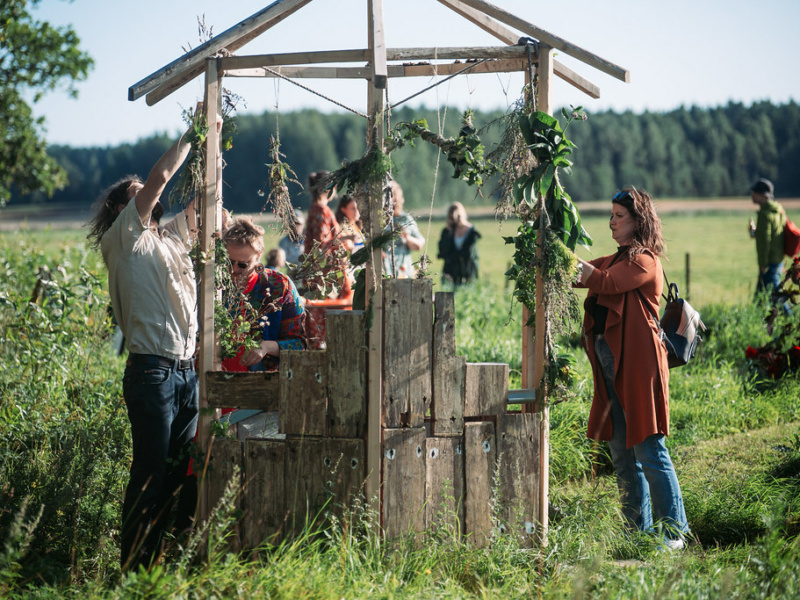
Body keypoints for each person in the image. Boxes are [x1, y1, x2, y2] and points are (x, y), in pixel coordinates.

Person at [86, 123, 205, 571]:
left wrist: (217, 142)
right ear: (122, 208)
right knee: (151, 474)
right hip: (152, 372)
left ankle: (162, 566)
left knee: (178, 475)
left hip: (185, 373)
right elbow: (159, 179)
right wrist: (194, 133)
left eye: (146, 196)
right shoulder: (124, 238)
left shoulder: (168, 239)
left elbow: (203, 206)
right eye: (137, 195)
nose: (149, 198)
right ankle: (135, 572)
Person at [574, 187, 689, 551]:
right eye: (610, 215)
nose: (611, 222)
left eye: (618, 217)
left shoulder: (643, 261)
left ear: (638, 221)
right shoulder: (618, 258)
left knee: (649, 450)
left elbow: (604, 282)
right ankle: (636, 532)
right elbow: (589, 274)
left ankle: (674, 532)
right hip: (614, 366)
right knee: (623, 453)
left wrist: (564, 257)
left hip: (639, 368)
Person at [222, 215, 306, 373]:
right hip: (215, 377)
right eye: (229, 262)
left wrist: (267, 347)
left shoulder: (279, 286)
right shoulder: (214, 283)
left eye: (243, 264)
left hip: (261, 382)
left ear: (259, 256)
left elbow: (300, 344)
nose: (234, 270)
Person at [748, 178, 789, 310]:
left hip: (769, 263)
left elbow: (765, 240)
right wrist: (755, 232)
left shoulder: (765, 214)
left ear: (763, 195)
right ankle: (755, 323)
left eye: (754, 192)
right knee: (759, 298)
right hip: (778, 259)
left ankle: (791, 321)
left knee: (776, 298)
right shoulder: (778, 210)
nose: (752, 195)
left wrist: (763, 264)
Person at [383, 180, 425, 278]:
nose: (389, 200)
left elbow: (419, 245)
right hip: (382, 267)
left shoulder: (405, 219)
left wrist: (406, 236)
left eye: (392, 196)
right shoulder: (377, 220)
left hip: (402, 268)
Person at [437, 201, 481, 285]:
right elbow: (443, 251)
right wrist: (449, 232)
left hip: (467, 273)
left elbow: (468, 253)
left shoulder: (471, 232)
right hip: (450, 272)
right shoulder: (448, 232)